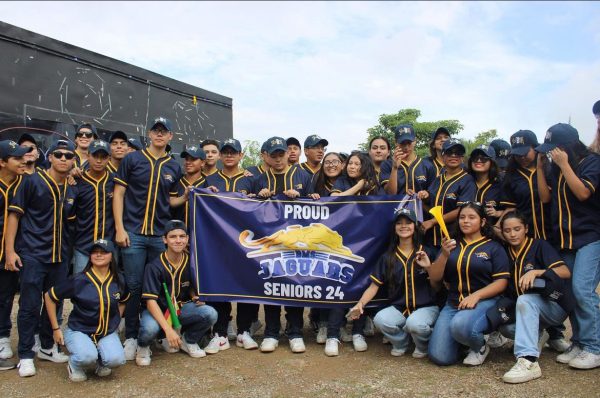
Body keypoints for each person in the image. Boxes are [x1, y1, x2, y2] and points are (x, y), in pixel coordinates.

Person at [113, 117, 185, 360]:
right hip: (133, 233)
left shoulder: (174, 166)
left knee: (161, 286)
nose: (159, 135)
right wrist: (120, 229)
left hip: (158, 236)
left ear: (170, 136)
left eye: (164, 132)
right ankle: (132, 336)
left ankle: (159, 335)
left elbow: (171, 200)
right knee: (134, 287)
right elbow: (119, 193)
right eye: (156, 130)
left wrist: (188, 196)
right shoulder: (133, 159)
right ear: (149, 133)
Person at [5, 139, 76, 377]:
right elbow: (14, 217)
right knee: (28, 306)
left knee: (53, 305)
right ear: (50, 157)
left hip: (59, 256)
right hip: (33, 254)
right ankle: (26, 354)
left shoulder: (70, 187)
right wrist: (10, 251)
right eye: (59, 154)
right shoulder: (31, 182)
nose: (64, 159)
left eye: (68, 155)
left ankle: (47, 346)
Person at [536, 123, 600, 369]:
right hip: (566, 240)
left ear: (567, 147)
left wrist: (563, 165)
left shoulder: (592, 162)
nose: (551, 153)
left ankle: (594, 348)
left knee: (583, 290)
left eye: (554, 149)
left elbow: (584, 193)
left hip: (590, 237)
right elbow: (545, 198)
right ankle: (581, 343)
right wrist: (542, 168)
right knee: (571, 293)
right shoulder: (554, 167)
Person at [346, 208, 439, 358]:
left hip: (427, 307)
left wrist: (428, 267)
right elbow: (373, 287)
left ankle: (423, 345)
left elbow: (438, 286)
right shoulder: (388, 257)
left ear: (415, 226)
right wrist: (360, 304)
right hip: (400, 308)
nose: (404, 226)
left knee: (415, 324)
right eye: (399, 223)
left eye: (408, 222)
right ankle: (402, 343)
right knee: (381, 320)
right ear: (394, 228)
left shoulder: (427, 252)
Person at [427, 202, 510, 366]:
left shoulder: (494, 247)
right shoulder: (451, 245)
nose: (465, 221)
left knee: (460, 325)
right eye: (462, 217)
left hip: (484, 302)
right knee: (440, 357)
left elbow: (501, 282)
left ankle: (480, 345)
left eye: (472, 217)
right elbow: (435, 278)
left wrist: (476, 295)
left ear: (483, 222)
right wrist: (444, 255)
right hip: (453, 303)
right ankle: (463, 340)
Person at [495, 211, 573, 383]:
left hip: (553, 306)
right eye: (507, 230)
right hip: (527, 310)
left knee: (525, 300)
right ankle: (537, 335)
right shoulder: (504, 251)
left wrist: (537, 271)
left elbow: (565, 272)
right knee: (505, 328)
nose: (513, 234)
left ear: (526, 228)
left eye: (517, 229)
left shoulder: (539, 245)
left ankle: (528, 361)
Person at [254, 137, 312, 353]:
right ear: (266, 156)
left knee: (294, 283)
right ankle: (271, 332)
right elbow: (248, 210)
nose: (278, 159)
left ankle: (295, 331)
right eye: (274, 155)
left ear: (288, 154)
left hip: (296, 242)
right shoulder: (260, 179)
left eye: (281, 154)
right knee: (271, 284)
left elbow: (318, 207)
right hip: (270, 240)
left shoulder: (303, 176)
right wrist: (258, 197)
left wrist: (302, 197)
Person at [44, 239, 129, 382]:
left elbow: (124, 300)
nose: (99, 255)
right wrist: (55, 328)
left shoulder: (119, 279)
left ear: (111, 255)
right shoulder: (79, 280)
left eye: (103, 252)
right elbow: (49, 296)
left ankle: (101, 362)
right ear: (89, 256)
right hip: (79, 329)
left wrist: (114, 322)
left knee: (117, 359)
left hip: (105, 331)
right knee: (86, 357)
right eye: (95, 252)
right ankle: (74, 365)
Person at [136, 220, 217, 365]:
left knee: (210, 313)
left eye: (182, 236)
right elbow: (150, 302)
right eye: (173, 237)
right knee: (149, 329)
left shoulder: (191, 261)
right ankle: (143, 347)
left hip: (180, 309)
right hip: (159, 310)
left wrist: (193, 296)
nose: (178, 240)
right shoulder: (154, 266)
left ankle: (188, 340)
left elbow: (191, 285)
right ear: (164, 239)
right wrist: (169, 330)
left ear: (187, 239)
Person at [204, 139, 253, 352]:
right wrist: (206, 194)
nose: (229, 155)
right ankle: (220, 333)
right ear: (221, 156)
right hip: (218, 243)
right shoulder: (210, 179)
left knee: (247, 284)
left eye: (234, 152)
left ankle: (244, 331)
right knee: (220, 285)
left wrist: (256, 197)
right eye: (226, 152)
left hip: (244, 244)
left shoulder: (252, 179)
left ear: (241, 155)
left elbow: (265, 209)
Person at [0, 140, 32, 371]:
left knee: (6, 298)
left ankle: (2, 340)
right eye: (17, 158)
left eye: (24, 157)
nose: (24, 161)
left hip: (13, 253)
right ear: (2, 162)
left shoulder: (26, 183)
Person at [69, 140, 115, 274]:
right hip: (83, 245)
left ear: (109, 159)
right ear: (88, 156)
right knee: (80, 288)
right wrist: (69, 175)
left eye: (103, 157)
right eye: (95, 156)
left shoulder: (115, 181)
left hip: (109, 245)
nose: (99, 161)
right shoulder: (77, 180)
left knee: (108, 288)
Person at [421, 139, 476, 249]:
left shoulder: (467, 180)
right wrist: (422, 197)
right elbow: (431, 205)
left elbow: (462, 210)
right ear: (443, 156)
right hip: (432, 238)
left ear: (462, 158)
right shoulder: (438, 179)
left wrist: (432, 221)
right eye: (449, 152)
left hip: (453, 239)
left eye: (458, 153)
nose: (454, 156)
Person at [500, 130, 550, 240]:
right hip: (526, 236)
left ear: (536, 148)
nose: (522, 157)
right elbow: (510, 208)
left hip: (554, 233)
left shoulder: (550, 170)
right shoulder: (511, 176)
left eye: (525, 153)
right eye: (517, 154)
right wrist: (498, 226)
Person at [381, 124, 435, 197]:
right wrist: (394, 168)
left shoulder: (427, 165)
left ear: (415, 141)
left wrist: (425, 194)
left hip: (419, 207)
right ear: (396, 142)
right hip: (395, 208)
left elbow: (433, 193)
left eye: (409, 143)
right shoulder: (387, 164)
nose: (406, 147)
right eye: (402, 143)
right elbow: (390, 194)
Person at [467, 145, 504, 226]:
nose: (479, 161)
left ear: (492, 162)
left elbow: (512, 209)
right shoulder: (465, 182)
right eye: (475, 158)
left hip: (491, 233)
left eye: (484, 158)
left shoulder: (500, 184)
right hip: (467, 233)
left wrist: (497, 213)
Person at [172, 146, 206, 228]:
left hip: (201, 233)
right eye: (187, 159)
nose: (188, 162)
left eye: (193, 159)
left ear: (203, 163)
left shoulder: (208, 184)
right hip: (178, 234)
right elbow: (170, 203)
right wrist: (184, 197)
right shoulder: (176, 181)